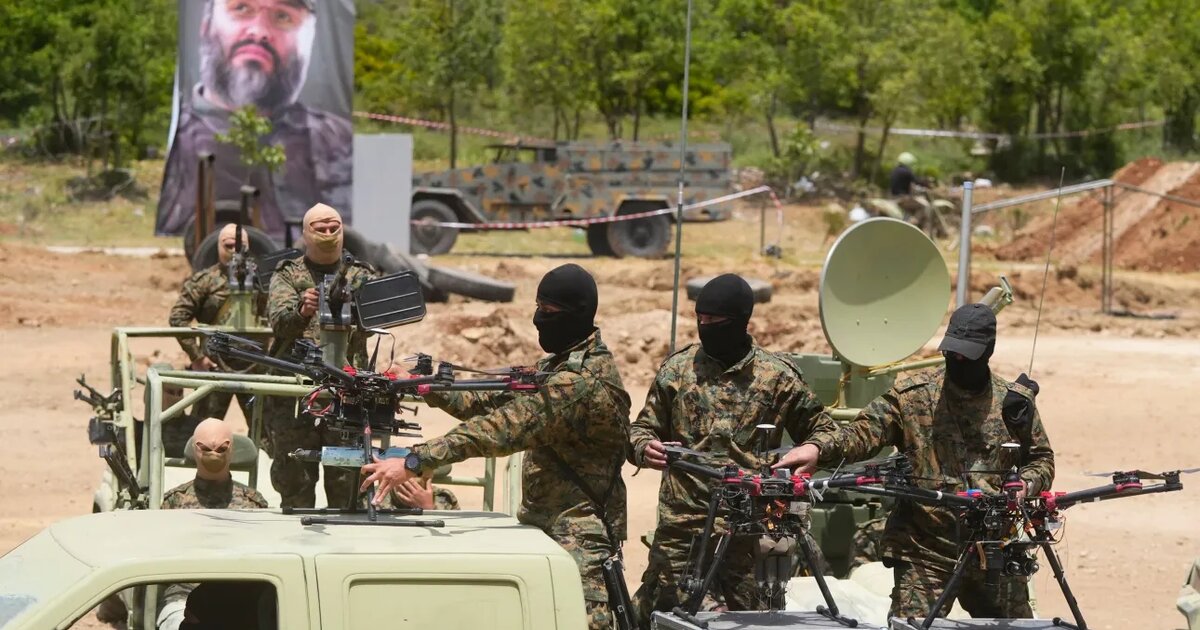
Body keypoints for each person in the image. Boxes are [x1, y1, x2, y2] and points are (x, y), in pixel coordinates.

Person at [359, 263, 631, 630]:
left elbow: (501, 428)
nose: (538, 319)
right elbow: (489, 403)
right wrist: (425, 386)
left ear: (577, 314)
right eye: (538, 307)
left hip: (579, 537)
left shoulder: (580, 382)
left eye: (548, 311)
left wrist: (414, 459)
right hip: (545, 526)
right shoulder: (559, 365)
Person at [776, 302, 1055, 621]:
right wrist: (818, 448)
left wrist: (1025, 485)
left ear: (988, 351)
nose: (957, 361)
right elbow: (862, 432)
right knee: (910, 625)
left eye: (966, 356)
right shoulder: (913, 396)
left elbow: (1041, 459)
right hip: (925, 550)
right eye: (951, 352)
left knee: (1017, 626)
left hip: (993, 547)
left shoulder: (1013, 403)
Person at [627, 273, 841, 627]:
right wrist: (642, 447)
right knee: (675, 618)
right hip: (684, 532)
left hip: (751, 537)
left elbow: (825, 430)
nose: (705, 327)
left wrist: (814, 449)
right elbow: (641, 428)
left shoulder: (777, 377)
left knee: (752, 621)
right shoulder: (677, 370)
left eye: (715, 320)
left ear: (740, 321)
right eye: (700, 318)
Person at [155, 0, 353, 240]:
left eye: (283, 16)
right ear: (206, 26)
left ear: (309, 38)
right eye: (241, 8)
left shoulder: (340, 143)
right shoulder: (179, 145)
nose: (259, 32)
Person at [266, 203, 378, 509]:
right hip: (297, 395)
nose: (328, 233)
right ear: (305, 234)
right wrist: (303, 310)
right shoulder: (289, 274)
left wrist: (354, 310)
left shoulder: (361, 275)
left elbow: (377, 325)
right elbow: (279, 324)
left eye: (333, 227)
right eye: (320, 228)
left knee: (347, 481)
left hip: (347, 393)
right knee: (294, 479)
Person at [157, 419, 268, 630]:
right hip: (182, 597)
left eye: (221, 448)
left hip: (239, 600)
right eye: (206, 448)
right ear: (194, 449)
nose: (214, 453)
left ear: (232, 450)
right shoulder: (173, 502)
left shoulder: (254, 504)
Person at [168, 224, 260, 438]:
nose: (235, 251)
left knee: (263, 430)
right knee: (203, 430)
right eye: (229, 245)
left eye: (241, 246)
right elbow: (178, 317)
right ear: (219, 247)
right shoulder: (205, 280)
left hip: (255, 366)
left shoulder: (262, 280)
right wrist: (197, 357)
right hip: (215, 365)